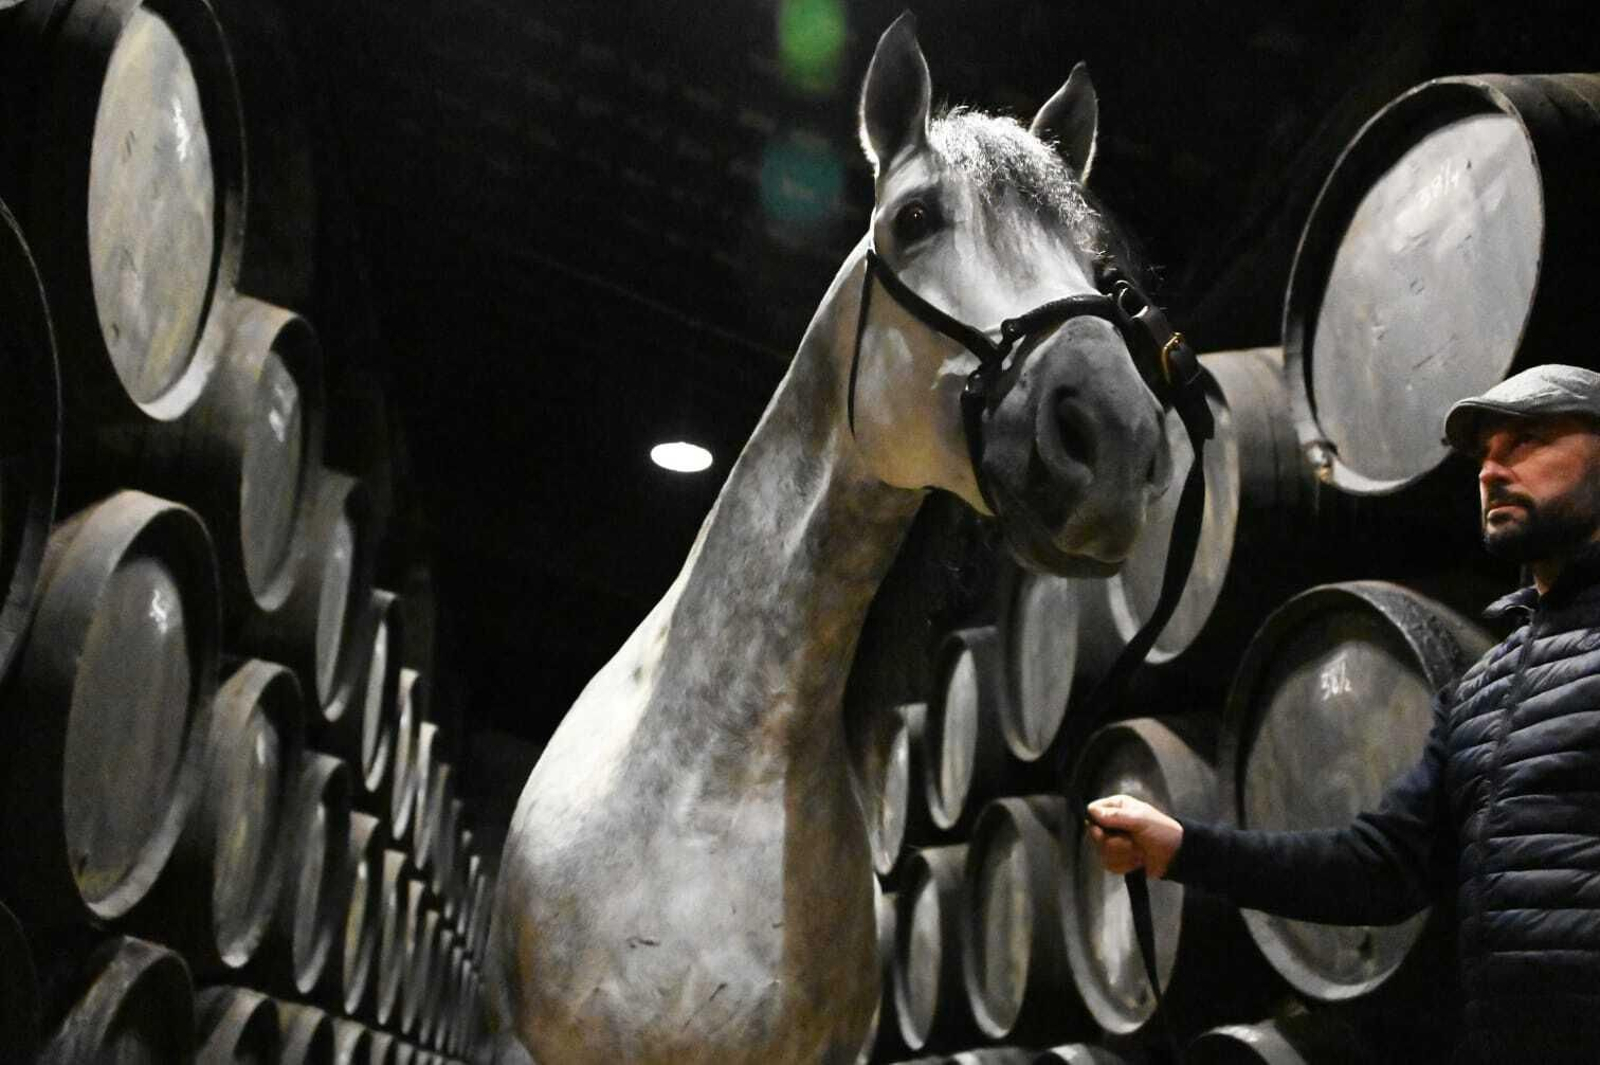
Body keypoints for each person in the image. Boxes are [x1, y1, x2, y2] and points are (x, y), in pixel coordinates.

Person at [1087, 362, 1600, 1062]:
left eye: (1529, 440)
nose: (1491, 471)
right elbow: (1379, 867)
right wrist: (1182, 847)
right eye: (1485, 453)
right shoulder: (1484, 689)